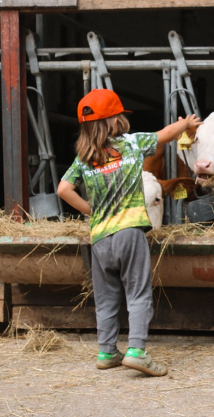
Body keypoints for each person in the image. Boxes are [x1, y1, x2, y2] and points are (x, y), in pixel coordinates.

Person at [57, 89, 201, 377]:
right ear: (114, 121)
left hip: (100, 238)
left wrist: (92, 212)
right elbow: (165, 134)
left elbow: (63, 190)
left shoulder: (84, 158)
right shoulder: (132, 143)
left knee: (107, 297)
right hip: (129, 233)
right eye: (121, 115)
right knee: (137, 293)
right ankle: (136, 351)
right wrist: (185, 125)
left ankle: (107, 351)